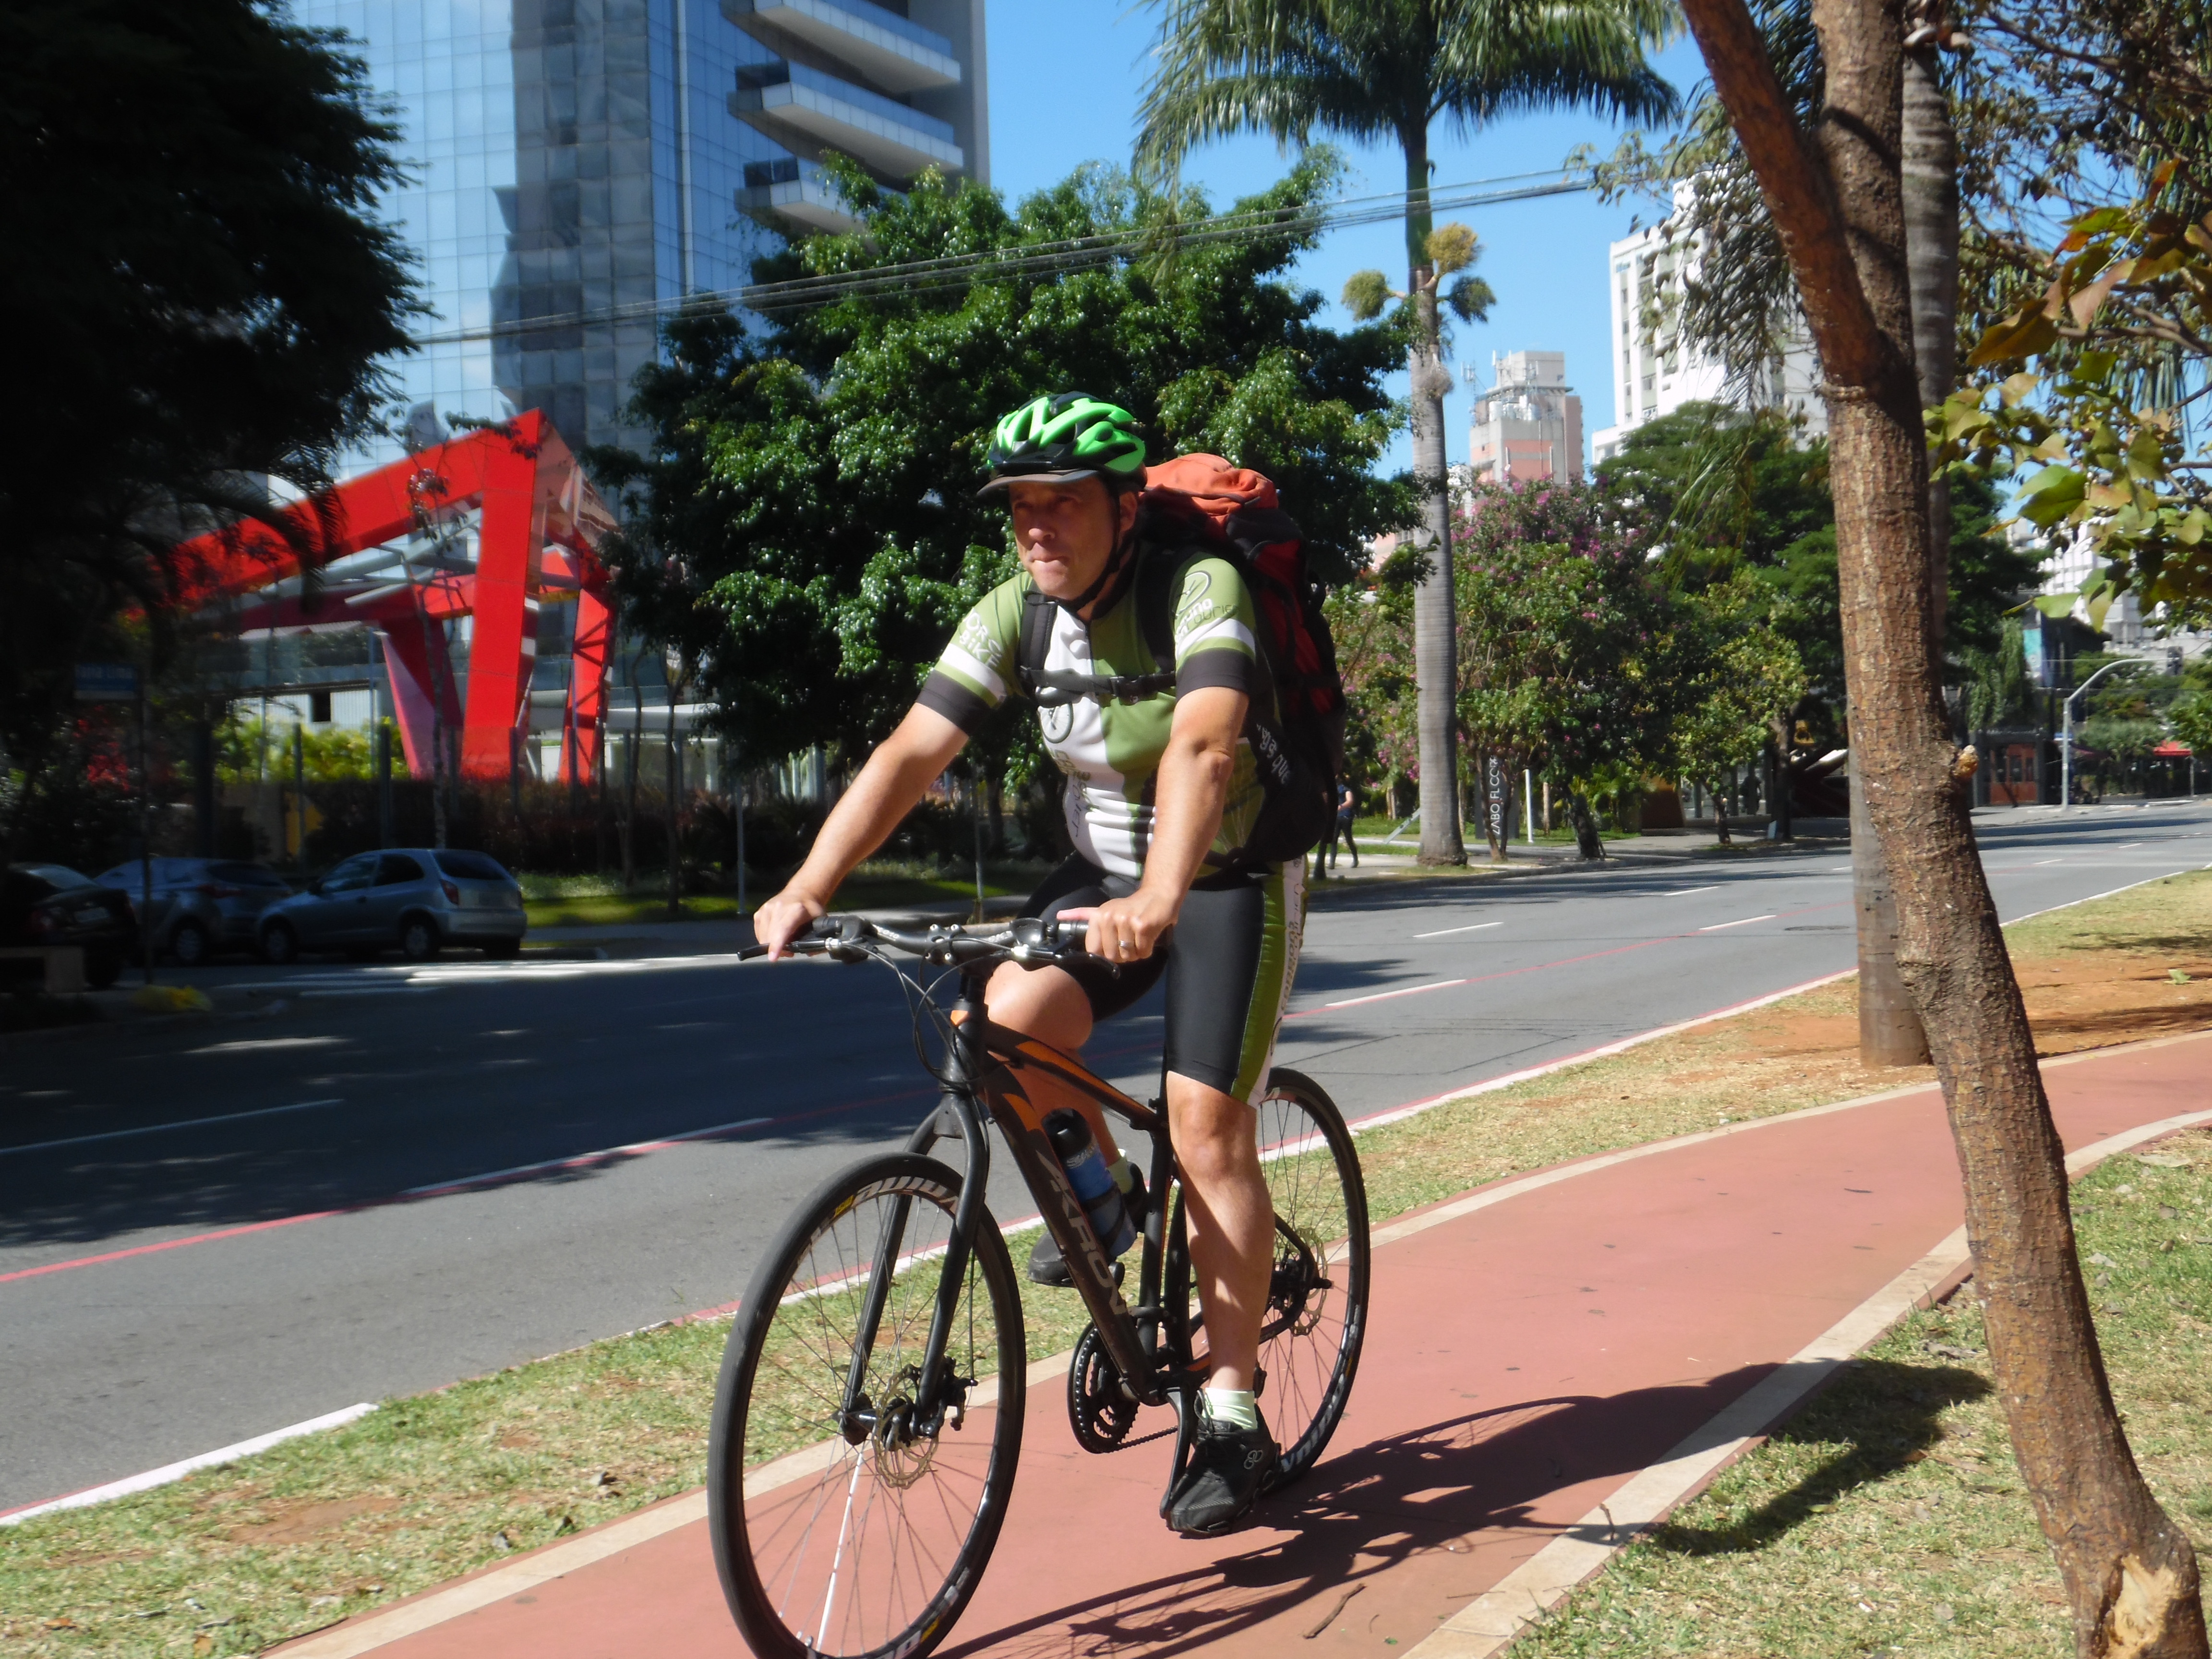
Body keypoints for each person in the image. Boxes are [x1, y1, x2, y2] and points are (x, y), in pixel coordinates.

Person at [753, 392, 1303, 1537]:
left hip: (1228, 874)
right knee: (989, 1031)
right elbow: (914, 746)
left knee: (1205, 1122)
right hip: (1101, 875)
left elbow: (1203, 742)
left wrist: (1160, 896)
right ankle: (1108, 1214)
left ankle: (1235, 1404)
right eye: (1018, 509)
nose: (1036, 528)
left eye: (1060, 504)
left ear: (1121, 504)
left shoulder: (1199, 588)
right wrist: (813, 883)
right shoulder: (1014, 611)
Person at [1328, 781, 1359, 871]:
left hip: (1345, 816)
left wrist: (1341, 807)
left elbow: (1350, 801)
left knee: (1348, 839)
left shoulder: (1345, 789)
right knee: (1334, 839)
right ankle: (1332, 862)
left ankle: (1355, 859)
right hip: (1335, 817)